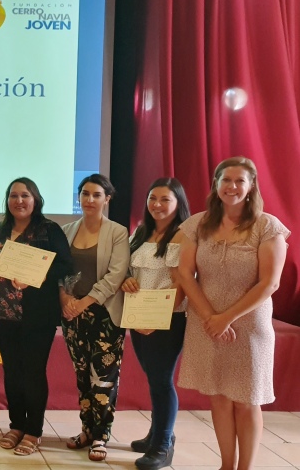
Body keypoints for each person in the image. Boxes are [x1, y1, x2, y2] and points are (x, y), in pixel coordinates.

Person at [176, 157, 289, 470]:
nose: (232, 186)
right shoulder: (197, 223)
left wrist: (225, 318)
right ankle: (227, 464)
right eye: (226, 180)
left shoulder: (267, 226)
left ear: (251, 186)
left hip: (248, 326)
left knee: (247, 399)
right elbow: (185, 274)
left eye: (240, 181)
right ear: (216, 184)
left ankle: (245, 467)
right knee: (220, 398)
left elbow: (271, 282)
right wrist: (210, 316)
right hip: (205, 321)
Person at [0, 178, 73, 457]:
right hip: (3, 314)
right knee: (12, 372)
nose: (19, 201)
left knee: (33, 373)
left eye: (25, 195)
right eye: (13, 195)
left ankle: (34, 430)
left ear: (35, 199)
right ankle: (16, 425)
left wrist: (35, 276)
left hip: (37, 316)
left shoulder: (48, 230)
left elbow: (65, 264)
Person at [120, 177, 190, 470]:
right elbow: (130, 269)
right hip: (138, 317)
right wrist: (127, 280)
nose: (157, 205)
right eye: (152, 199)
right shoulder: (140, 231)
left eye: (165, 200)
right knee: (153, 378)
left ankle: (163, 444)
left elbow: (183, 284)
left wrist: (157, 320)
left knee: (162, 381)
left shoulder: (185, 235)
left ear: (178, 204)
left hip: (168, 320)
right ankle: (156, 433)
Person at [60, 173, 129, 462]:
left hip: (104, 315)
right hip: (72, 314)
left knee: (103, 378)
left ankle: (101, 435)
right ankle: (87, 429)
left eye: (96, 195)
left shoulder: (118, 232)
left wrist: (85, 302)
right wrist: (66, 299)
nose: (89, 200)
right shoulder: (66, 231)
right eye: (85, 194)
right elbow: (58, 272)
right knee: (81, 375)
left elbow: (116, 275)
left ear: (107, 199)